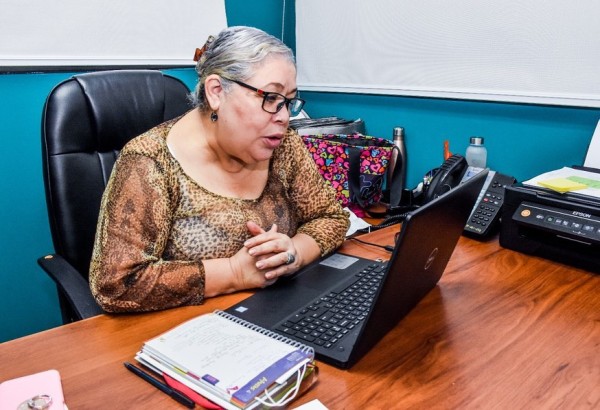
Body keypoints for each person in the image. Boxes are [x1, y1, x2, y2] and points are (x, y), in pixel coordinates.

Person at [89, 26, 350, 313]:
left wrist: (294, 253)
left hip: (276, 310)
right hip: (185, 326)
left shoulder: (283, 145)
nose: (285, 117)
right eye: (271, 98)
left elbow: (331, 217)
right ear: (216, 92)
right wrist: (234, 273)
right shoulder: (150, 161)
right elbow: (116, 285)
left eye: (288, 101)